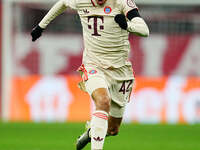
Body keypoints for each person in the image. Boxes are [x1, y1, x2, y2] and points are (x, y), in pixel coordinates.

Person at [31, 0, 149, 149]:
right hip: (94, 65)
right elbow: (62, 3)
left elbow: (145, 30)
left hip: (121, 71)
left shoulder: (121, 2)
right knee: (103, 101)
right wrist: (41, 27)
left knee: (113, 129)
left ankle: (89, 134)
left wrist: (127, 26)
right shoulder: (81, 1)